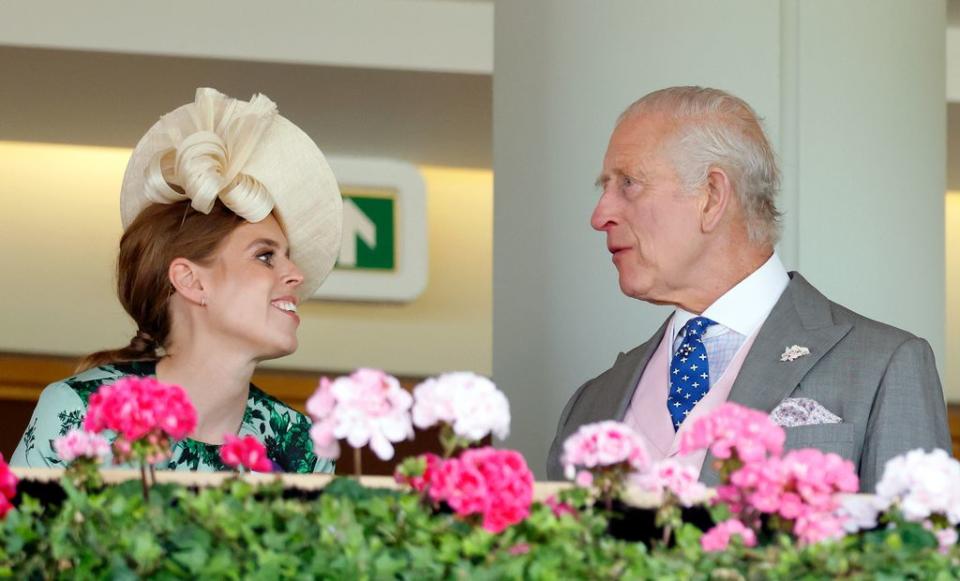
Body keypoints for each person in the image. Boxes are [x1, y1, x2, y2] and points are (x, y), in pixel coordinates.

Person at [545, 86, 951, 491]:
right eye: (604, 188)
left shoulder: (885, 366)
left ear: (712, 196)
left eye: (628, 183)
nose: (600, 215)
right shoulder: (590, 403)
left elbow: (917, 550)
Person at [11, 88, 343, 473]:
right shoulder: (80, 413)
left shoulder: (302, 446)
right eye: (265, 256)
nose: (295, 275)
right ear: (191, 281)